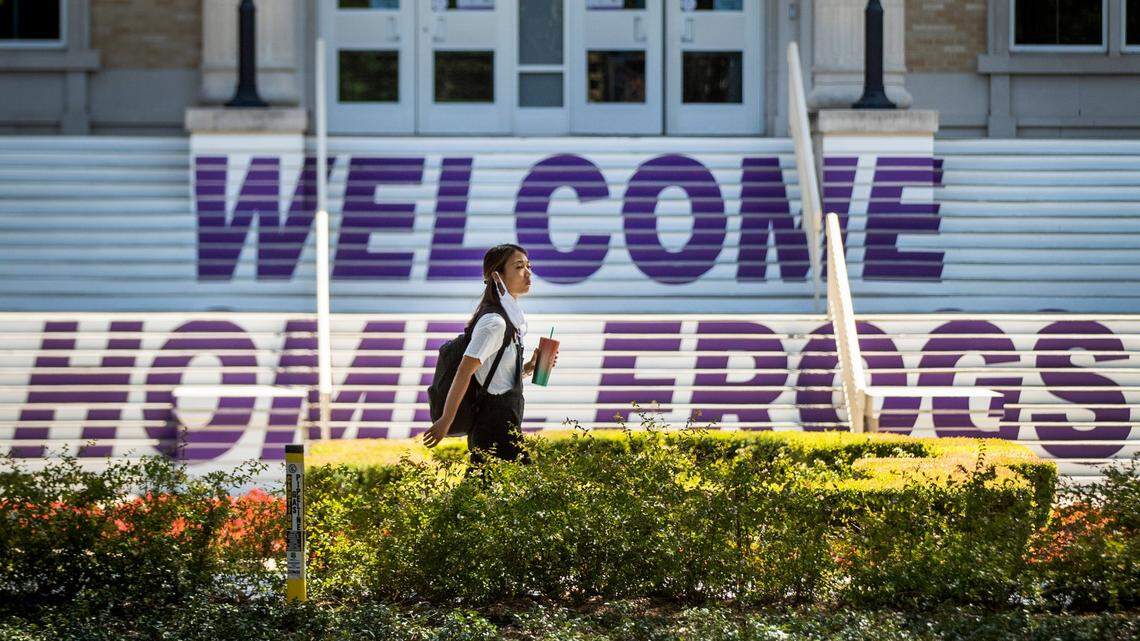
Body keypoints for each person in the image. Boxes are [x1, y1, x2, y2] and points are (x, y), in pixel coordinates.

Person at [422, 244, 556, 466]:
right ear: (498, 275)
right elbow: (464, 372)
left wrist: (528, 369)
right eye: (519, 266)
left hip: (506, 426)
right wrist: (446, 420)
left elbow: (495, 376)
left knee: (486, 494)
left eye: (528, 265)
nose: (528, 272)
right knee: (527, 492)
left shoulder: (511, 320)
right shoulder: (494, 322)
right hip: (493, 429)